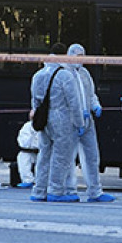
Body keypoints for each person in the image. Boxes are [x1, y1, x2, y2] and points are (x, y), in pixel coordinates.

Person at [29, 43, 85, 202]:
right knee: (61, 157)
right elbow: (74, 102)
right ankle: (56, 190)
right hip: (61, 119)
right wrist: (80, 123)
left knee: (43, 155)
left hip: (44, 119)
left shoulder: (38, 75)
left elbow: (35, 102)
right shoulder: (65, 75)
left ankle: (38, 190)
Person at [64, 44, 113, 202]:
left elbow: (91, 94)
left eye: (83, 56)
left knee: (92, 156)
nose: (81, 59)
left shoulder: (84, 73)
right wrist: (75, 115)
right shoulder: (64, 73)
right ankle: (69, 190)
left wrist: (95, 106)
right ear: (70, 55)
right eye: (78, 56)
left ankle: (95, 191)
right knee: (68, 157)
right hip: (70, 121)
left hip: (87, 120)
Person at [15, 120, 39, 188]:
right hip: (26, 150)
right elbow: (24, 141)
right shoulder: (27, 126)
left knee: (41, 166)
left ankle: (40, 181)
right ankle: (27, 180)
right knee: (23, 161)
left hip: (41, 151)